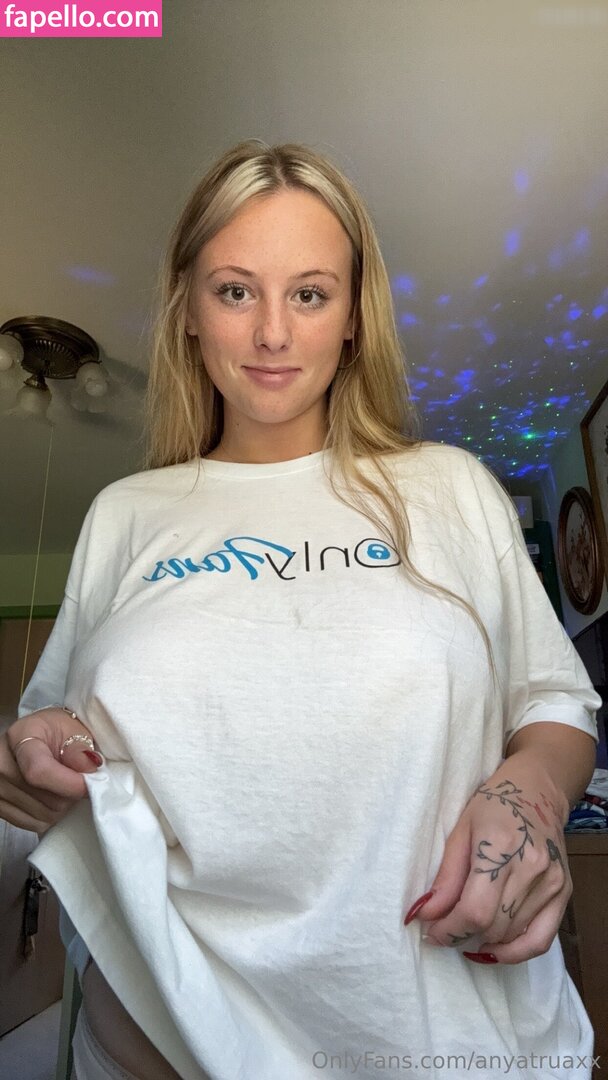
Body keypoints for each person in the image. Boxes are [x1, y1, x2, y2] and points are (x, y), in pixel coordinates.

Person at [0, 139, 602, 1080]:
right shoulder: (127, 514)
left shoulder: (449, 488)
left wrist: (526, 798)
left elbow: (555, 704)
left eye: (311, 294)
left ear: (354, 317)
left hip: (447, 1038)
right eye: (236, 291)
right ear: (188, 309)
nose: (273, 333)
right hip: (156, 1048)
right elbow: (57, 734)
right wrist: (40, 748)